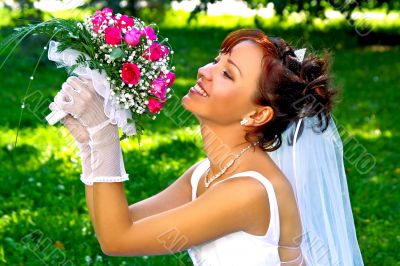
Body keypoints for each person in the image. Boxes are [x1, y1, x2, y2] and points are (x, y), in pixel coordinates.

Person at [49, 29, 363, 265]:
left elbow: (116, 240)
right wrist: (90, 144)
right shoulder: (207, 174)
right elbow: (117, 223)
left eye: (227, 73)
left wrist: (105, 135)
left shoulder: (248, 192)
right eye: (216, 60)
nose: (205, 71)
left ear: (256, 114)